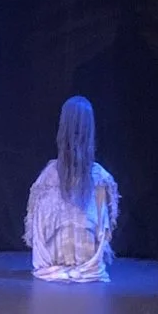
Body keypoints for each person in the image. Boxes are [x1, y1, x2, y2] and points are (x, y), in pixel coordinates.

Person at [24, 95, 120, 282]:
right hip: (87, 261)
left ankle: (69, 256)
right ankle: (80, 258)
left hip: (52, 259)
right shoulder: (99, 178)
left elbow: (36, 224)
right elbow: (105, 225)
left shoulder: (49, 178)